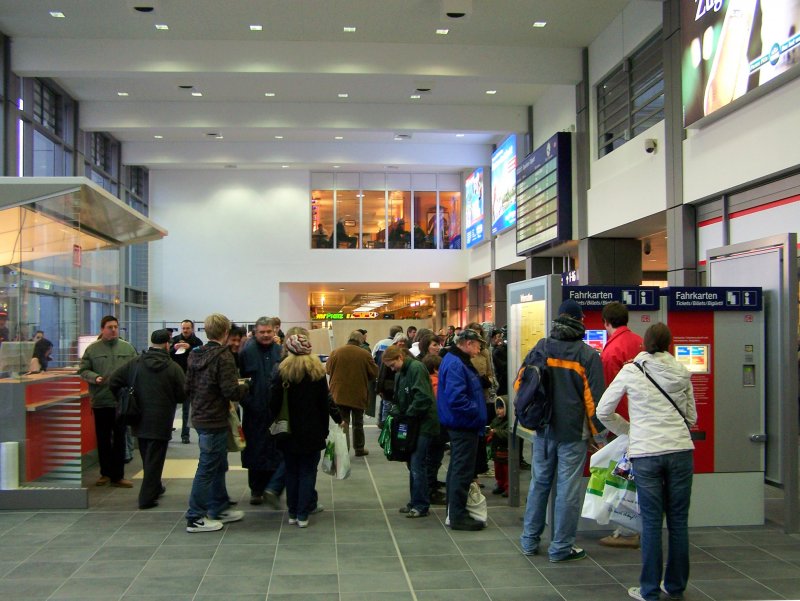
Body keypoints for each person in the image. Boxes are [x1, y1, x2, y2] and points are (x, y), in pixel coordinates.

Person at [596, 323, 696, 601]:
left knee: (651, 522)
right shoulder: (682, 371)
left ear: (645, 344)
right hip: (680, 451)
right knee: (678, 521)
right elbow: (691, 417)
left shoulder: (631, 370)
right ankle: (675, 586)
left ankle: (649, 589)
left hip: (647, 454)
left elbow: (603, 410)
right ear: (669, 344)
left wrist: (631, 430)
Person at [519, 299, 606, 562]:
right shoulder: (587, 355)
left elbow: (521, 384)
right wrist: (599, 435)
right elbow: (594, 400)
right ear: (580, 322)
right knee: (567, 490)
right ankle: (560, 548)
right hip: (572, 434)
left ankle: (529, 541)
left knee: (539, 485)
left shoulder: (541, 347)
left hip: (543, 429)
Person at [271, 329, 345, 528]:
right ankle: (304, 514)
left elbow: (272, 402)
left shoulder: (281, 372)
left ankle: (293, 513)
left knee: (291, 472)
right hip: (312, 432)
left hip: (287, 432)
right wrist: (333, 422)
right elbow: (325, 402)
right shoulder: (317, 373)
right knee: (307, 473)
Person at [184, 313, 249, 533]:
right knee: (208, 468)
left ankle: (218, 507)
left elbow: (188, 386)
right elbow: (230, 390)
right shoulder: (224, 356)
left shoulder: (195, 355)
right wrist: (246, 387)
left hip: (200, 416)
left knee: (218, 465)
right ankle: (195, 517)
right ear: (225, 332)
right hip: (216, 418)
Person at [109, 329, 186, 509]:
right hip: (161, 419)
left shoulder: (135, 363)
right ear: (167, 344)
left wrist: (122, 398)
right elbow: (183, 395)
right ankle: (146, 497)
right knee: (155, 458)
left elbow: (113, 381)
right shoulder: (173, 368)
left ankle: (156, 487)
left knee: (148, 457)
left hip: (138, 417)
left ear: (151, 343)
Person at [598, 301, 644, 549]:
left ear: (606, 323)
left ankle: (628, 531)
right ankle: (635, 527)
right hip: (645, 419)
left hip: (623, 423)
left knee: (624, 477)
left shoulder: (611, 351)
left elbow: (609, 395)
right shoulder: (640, 342)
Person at [78, 315, 137, 488]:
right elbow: (83, 370)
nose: (113, 330)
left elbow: (135, 369)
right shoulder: (92, 350)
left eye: (115, 327)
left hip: (120, 401)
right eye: (110, 327)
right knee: (103, 439)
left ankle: (118, 476)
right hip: (101, 400)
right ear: (102, 329)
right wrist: (94, 378)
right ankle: (105, 473)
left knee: (119, 439)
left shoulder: (127, 348)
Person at [437, 328, 487, 531]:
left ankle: (454, 511)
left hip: (461, 423)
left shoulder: (455, 360)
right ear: (467, 343)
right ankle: (457, 515)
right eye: (477, 345)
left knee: (458, 469)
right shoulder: (457, 364)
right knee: (462, 470)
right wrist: (476, 412)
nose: (479, 349)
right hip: (463, 424)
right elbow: (457, 398)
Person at [383, 345, 439, 518]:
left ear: (400, 357)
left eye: (393, 365)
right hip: (413, 423)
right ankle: (415, 501)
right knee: (412, 462)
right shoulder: (401, 373)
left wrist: (408, 414)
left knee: (417, 464)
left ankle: (421, 505)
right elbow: (400, 398)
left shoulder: (416, 368)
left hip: (424, 424)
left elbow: (423, 397)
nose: (392, 369)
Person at [238, 316, 284, 507]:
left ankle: (271, 488)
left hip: (276, 412)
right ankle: (256, 490)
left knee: (276, 450)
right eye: (262, 332)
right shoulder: (246, 352)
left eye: (269, 332)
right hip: (254, 412)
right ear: (255, 333)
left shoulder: (280, 352)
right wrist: (249, 402)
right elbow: (239, 382)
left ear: (274, 332)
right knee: (255, 450)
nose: (265, 335)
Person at [326, 330, 379, 455]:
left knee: (343, 422)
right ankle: (359, 448)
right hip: (358, 393)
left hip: (339, 394)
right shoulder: (365, 354)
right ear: (360, 341)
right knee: (358, 423)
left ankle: (344, 449)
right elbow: (374, 372)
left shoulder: (335, 352)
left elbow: (328, 370)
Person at [170, 319, 204, 444]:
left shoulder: (197, 342)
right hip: (175, 379)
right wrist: (174, 348)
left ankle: (185, 435)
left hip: (190, 379)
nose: (185, 330)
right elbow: (168, 354)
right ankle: (168, 433)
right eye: (183, 328)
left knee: (186, 410)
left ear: (192, 329)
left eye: (187, 328)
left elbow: (201, 356)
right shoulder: (174, 340)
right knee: (171, 408)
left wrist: (190, 348)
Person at [489, 396, 509, 496]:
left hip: (505, 451)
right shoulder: (496, 420)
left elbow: (507, 434)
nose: (498, 411)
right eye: (497, 408)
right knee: (498, 471)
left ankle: (508, 487)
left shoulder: (508, 422)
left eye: (501, 408)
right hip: (497, 451)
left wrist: (496, 432)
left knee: (506, 471)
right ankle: (500, 484)